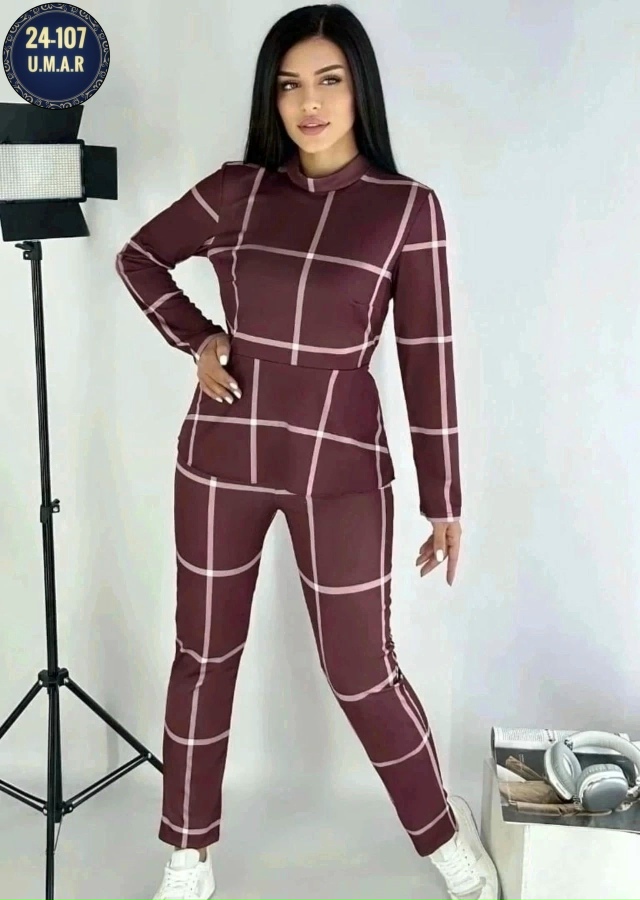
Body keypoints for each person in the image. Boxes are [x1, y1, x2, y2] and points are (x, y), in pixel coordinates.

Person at [115, 4, 500, 899]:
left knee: (362, 670)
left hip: (341, 467)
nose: (309, 103)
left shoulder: (405, 209)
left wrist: (444, 498)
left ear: (360, 88)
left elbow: (427, 356)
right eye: (290, 85)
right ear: (272, 98)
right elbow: (139, 257)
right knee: (204, 653)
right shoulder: (238, 191)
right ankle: (188, 853)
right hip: (222, 454)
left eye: (329, 80)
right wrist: (198, 338)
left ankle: (442, 834)